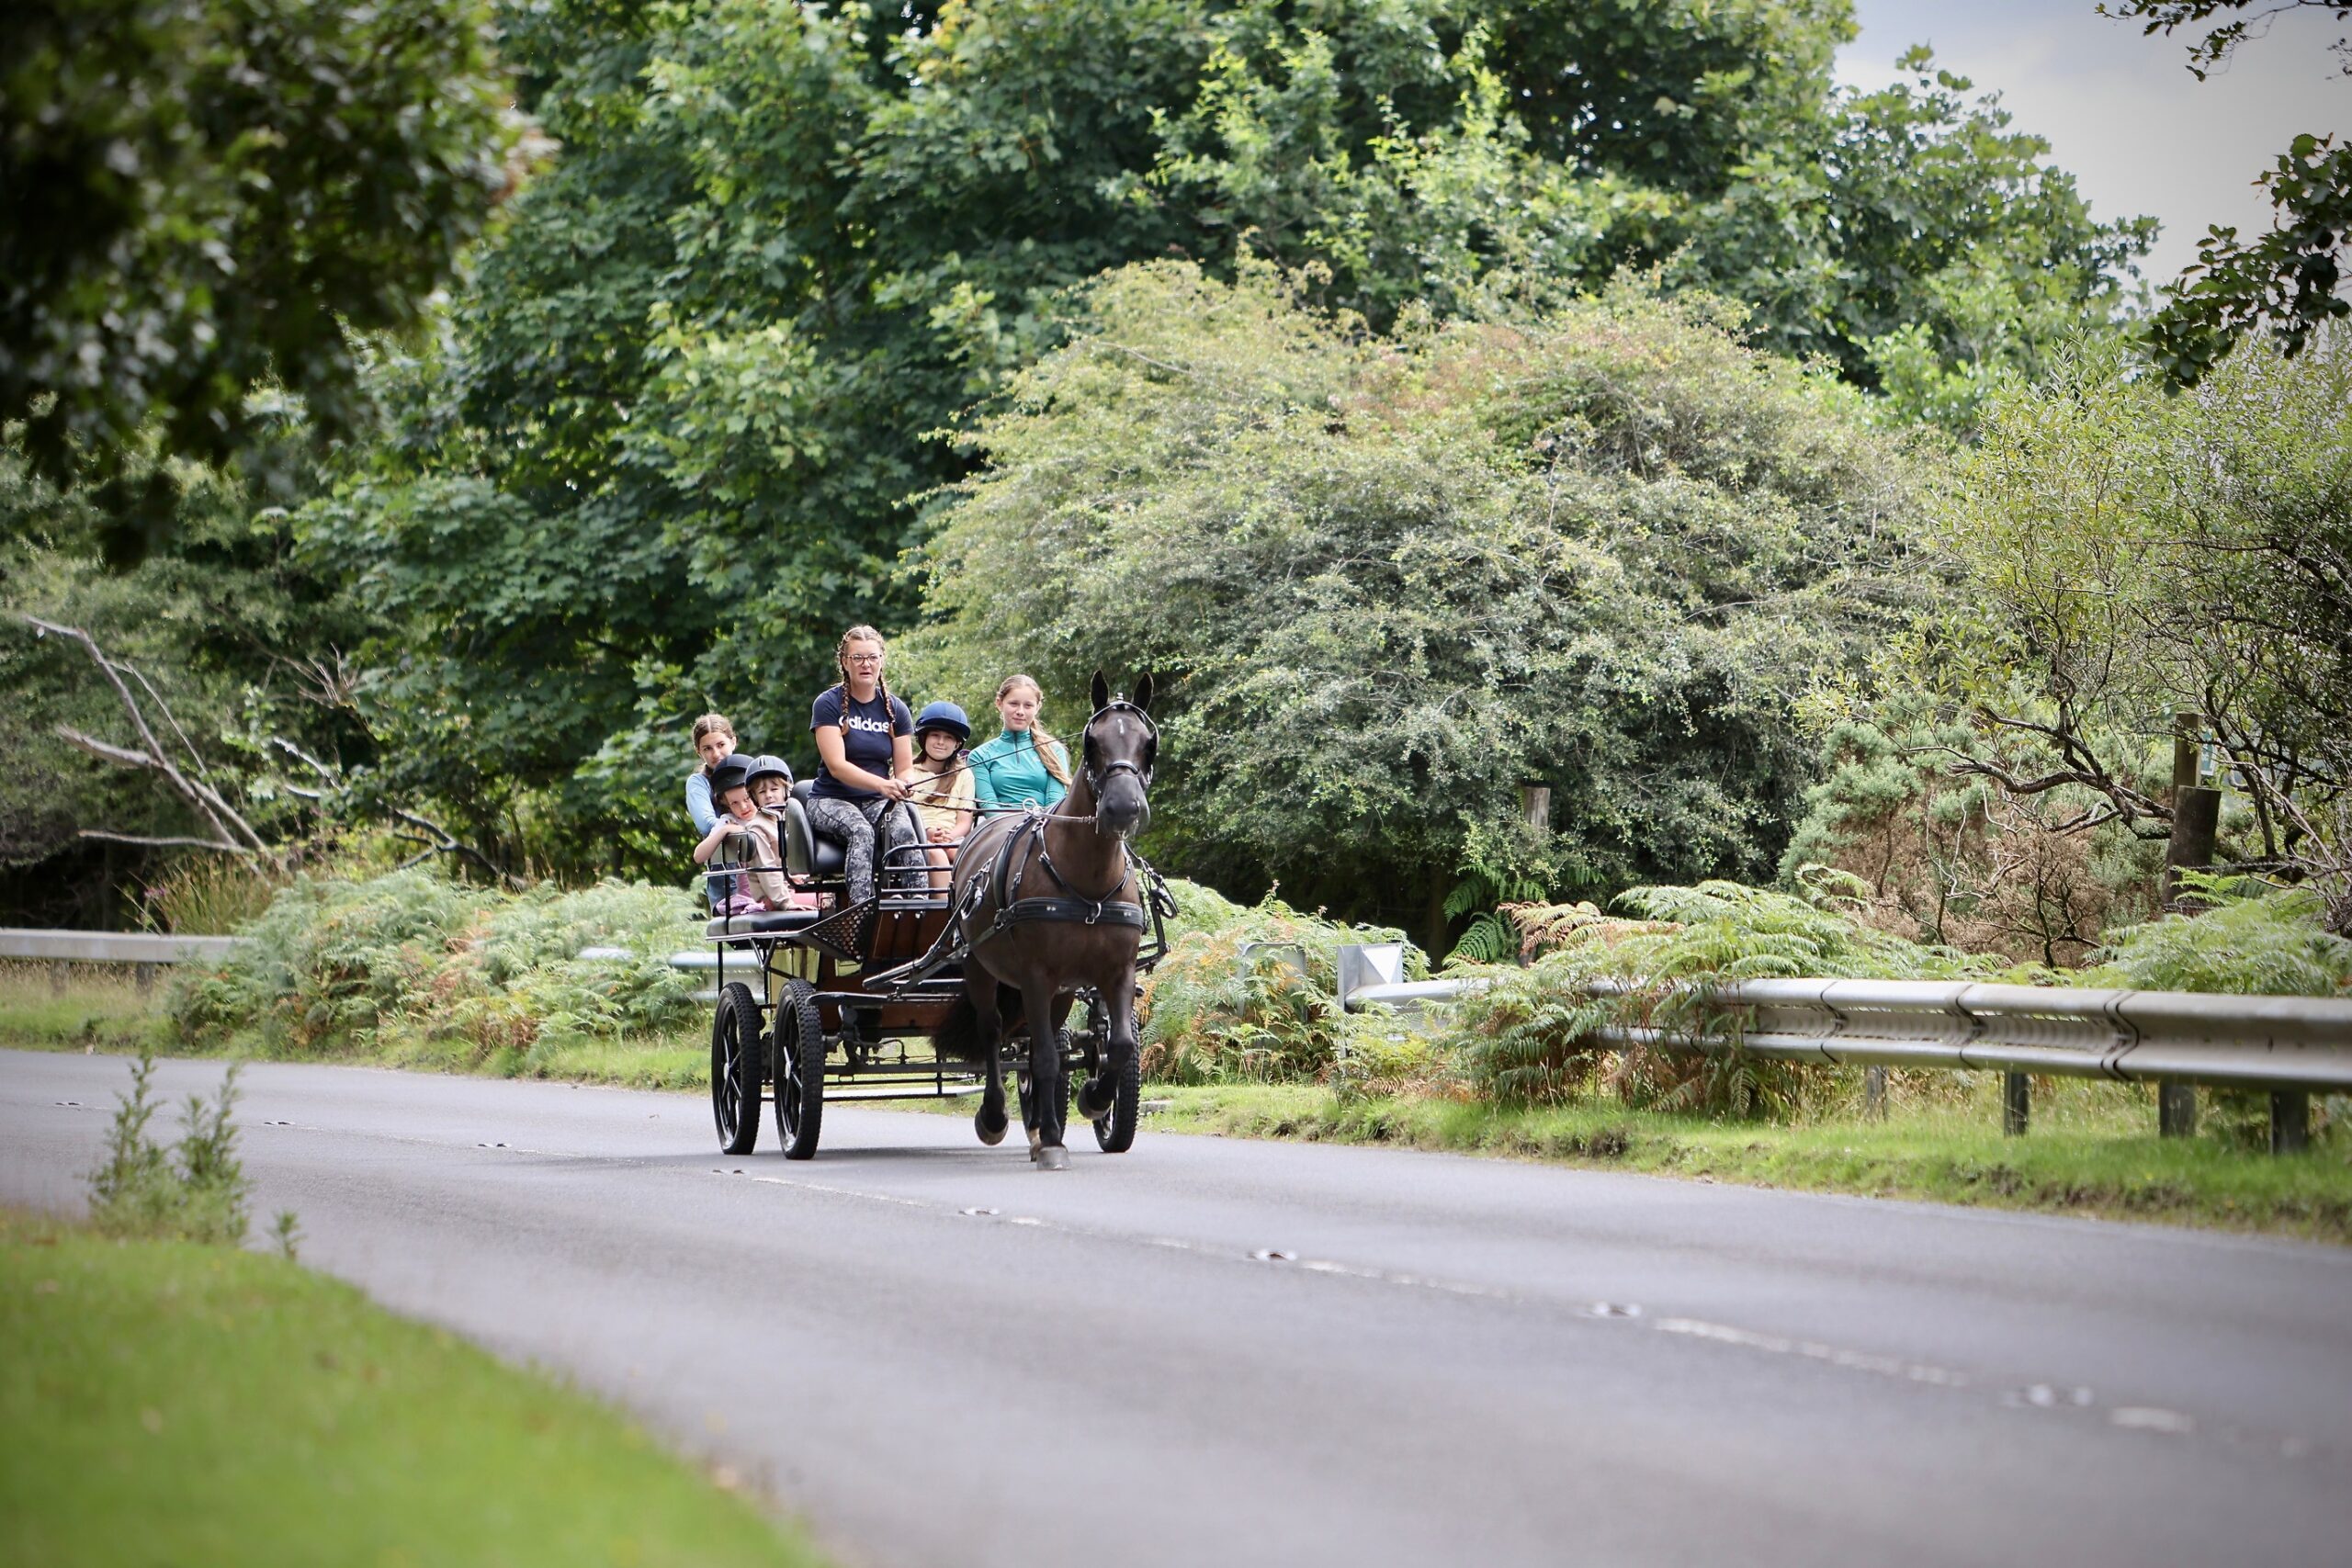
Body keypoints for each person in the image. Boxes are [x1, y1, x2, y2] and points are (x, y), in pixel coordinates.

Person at [808, 625, 921, 904]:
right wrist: (884, 785)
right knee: (861, 830)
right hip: (831, 798)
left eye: (872, 657)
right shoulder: (827, 704)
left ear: (882, 660)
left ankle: (920, 906)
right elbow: (837, 766)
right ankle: (862, 911)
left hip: (877, 800)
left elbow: (905, 767)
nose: (865, 664)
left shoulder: (896, 710)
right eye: (857, 658)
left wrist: (905, 783)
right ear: (845, 663)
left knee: (906, 832)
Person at [693, 756, 791, 912]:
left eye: (747, 799)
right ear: (726, 804)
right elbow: (698, 856)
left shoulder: (773, 816)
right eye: (734, 803)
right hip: (758, 893)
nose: (744, 807)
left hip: (786, 882)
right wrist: (725, 831)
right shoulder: (729, 821)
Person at [968, 673, 1070, 815]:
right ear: (999, 703)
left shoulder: (1054, 750)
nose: (1020, 712)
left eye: (1028, 705)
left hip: (1043, 828)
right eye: (1014, 704)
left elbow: (1055, 803)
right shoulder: (979, 756)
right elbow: (988, 804)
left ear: (1038, 707)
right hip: (999, 830)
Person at [900, 701, 976, 890]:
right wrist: (927, 833)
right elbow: (900, 815)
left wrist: (949, 837)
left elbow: (964, 822)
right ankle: (942, 913)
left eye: (948, 737)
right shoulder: (907, 771)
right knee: (936, 853)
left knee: (968, 854)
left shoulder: (964, 775)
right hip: (916, 836)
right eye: (935, 735)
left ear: (957, 743)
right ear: (924, 738)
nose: (941, 742)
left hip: (951, 837)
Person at [684, 714, 739, 906]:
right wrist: (731, 826)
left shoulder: (751, 773)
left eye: (721, 745)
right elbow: (707, 824)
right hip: (726, 877)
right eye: (707, 748)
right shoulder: (699, 783)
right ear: (698, 751)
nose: (716, 754)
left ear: (733, 742)